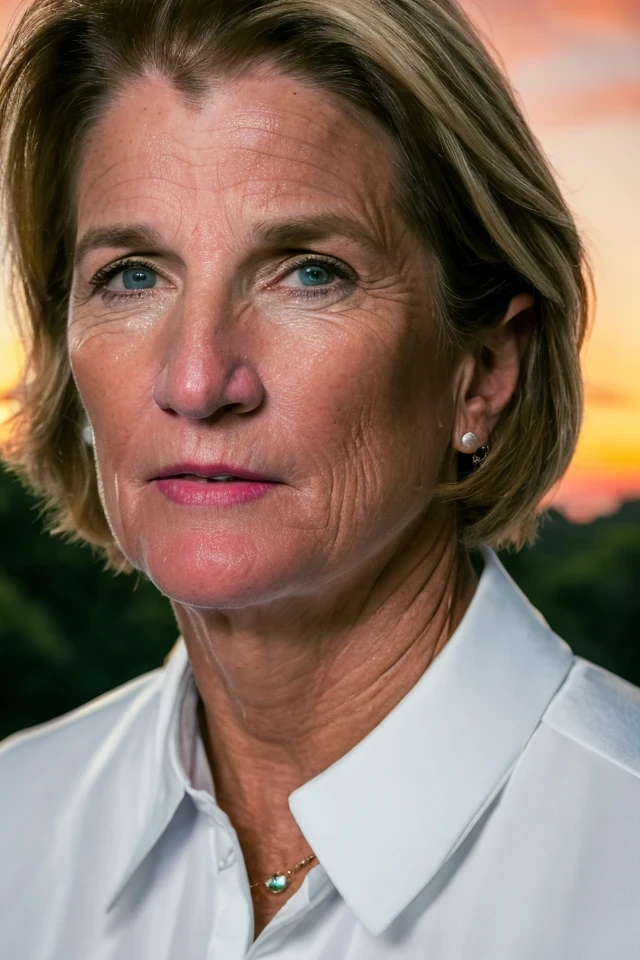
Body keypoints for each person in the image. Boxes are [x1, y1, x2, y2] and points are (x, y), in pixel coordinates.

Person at [0, 0, 638, 956]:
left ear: (484, 369)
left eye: (307, 272)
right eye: (133, 276)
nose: (196, 380)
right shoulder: (17, 823)